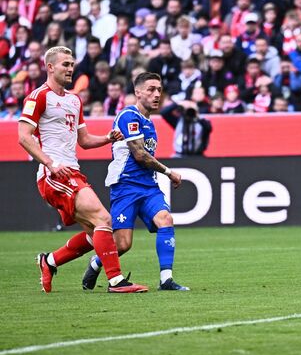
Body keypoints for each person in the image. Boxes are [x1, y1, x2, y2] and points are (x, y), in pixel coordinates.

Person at [18, 46, 147, 293]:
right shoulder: (38, 96)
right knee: (104, 219)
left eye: (72, 64)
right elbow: (24, 137)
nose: (70, 68)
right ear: (50, 67)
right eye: (65, 64)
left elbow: (84, 141)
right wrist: (50, 164)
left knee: (94, 234)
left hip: (72, 172)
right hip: (53, 174)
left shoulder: (74, 100)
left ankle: (50, 261)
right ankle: (116, 281)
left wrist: (108, 137)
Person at [82, 72, 188, 292]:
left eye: (159, 89)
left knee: (165, 219)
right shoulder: (128, 115)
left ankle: (166, 280)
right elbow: (140, 154)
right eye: (150, 89)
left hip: (148, 187)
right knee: (122, 244)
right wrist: (169, 172)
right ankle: (96, 262)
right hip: (126, 186)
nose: (156, 94)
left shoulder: (150, 122)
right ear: (137, 92)